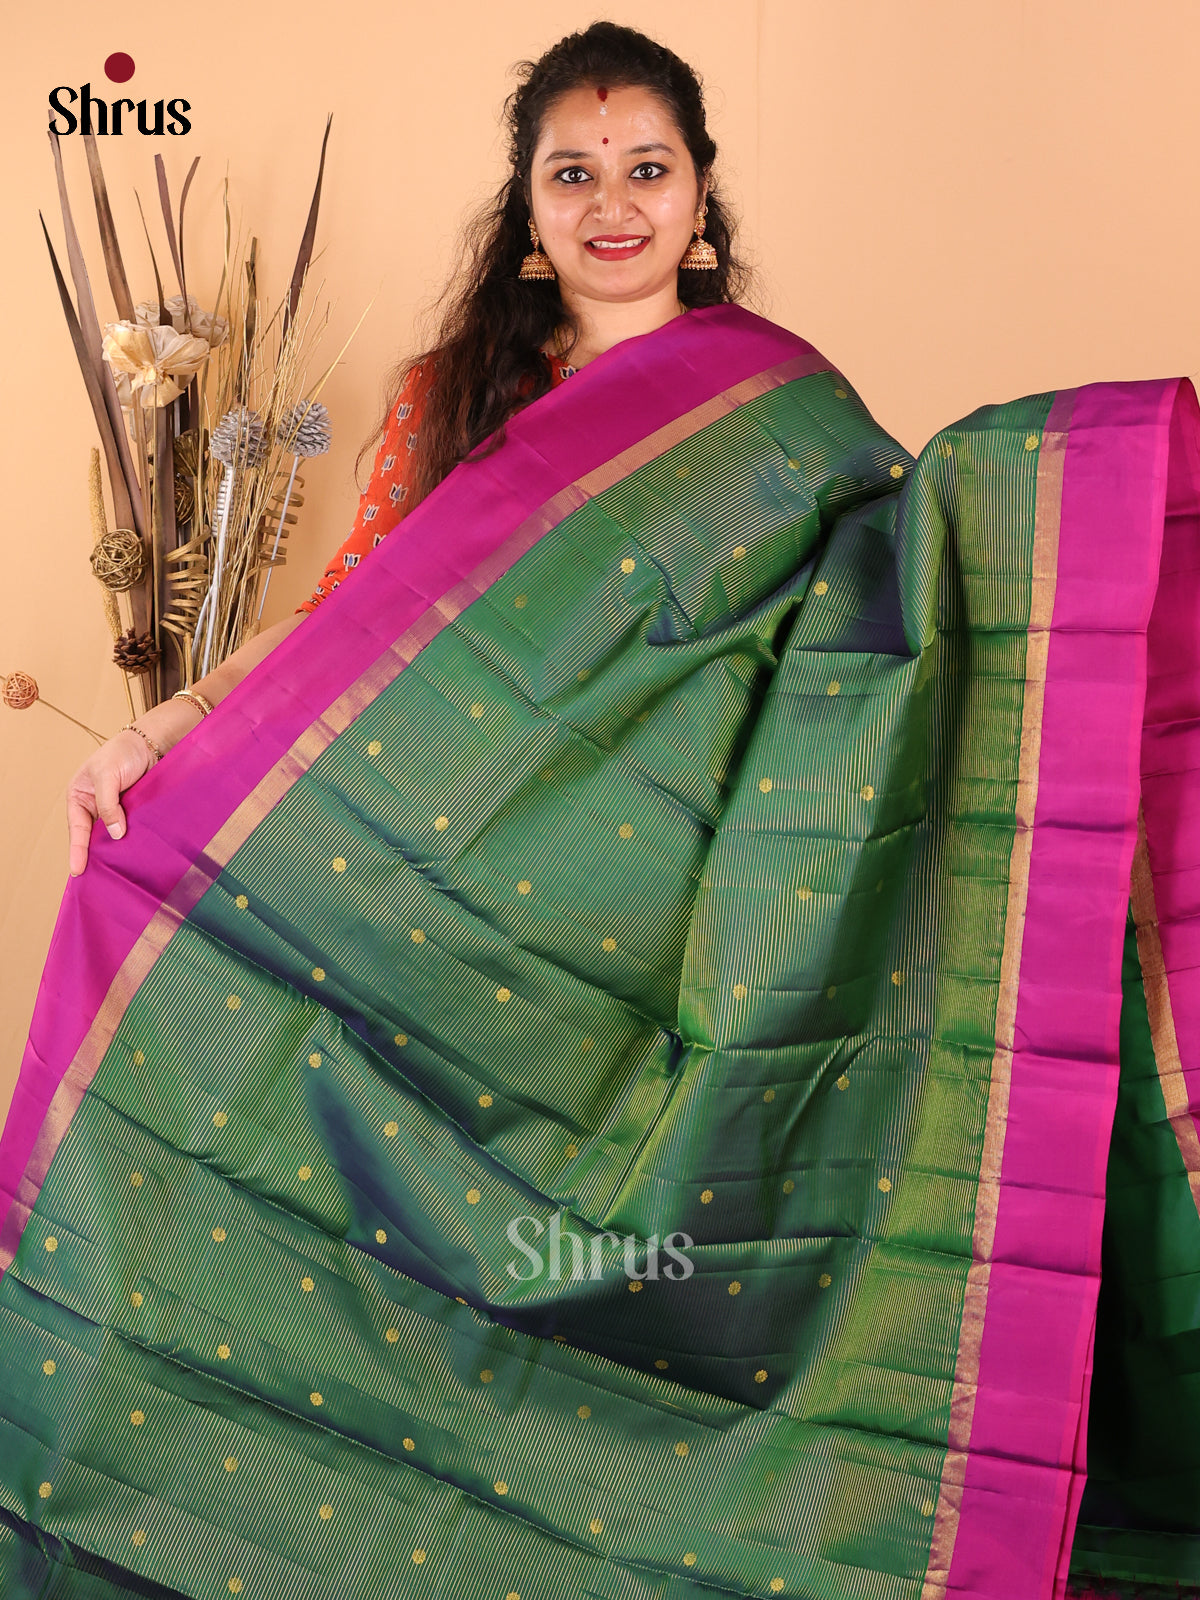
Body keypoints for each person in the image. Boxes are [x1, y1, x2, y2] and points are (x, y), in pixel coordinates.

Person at [3, 21, 1200, 1600]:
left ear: (701, 199)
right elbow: (346, 620)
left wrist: (1060, 497)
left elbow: (891, 614)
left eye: (649, 170)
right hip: (461, 884)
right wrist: (160, 729)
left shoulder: (775, 405)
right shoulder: (455, 401)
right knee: (185, 964)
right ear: (528, 209)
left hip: (679, 900)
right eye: (574, 175)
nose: (614, 205)